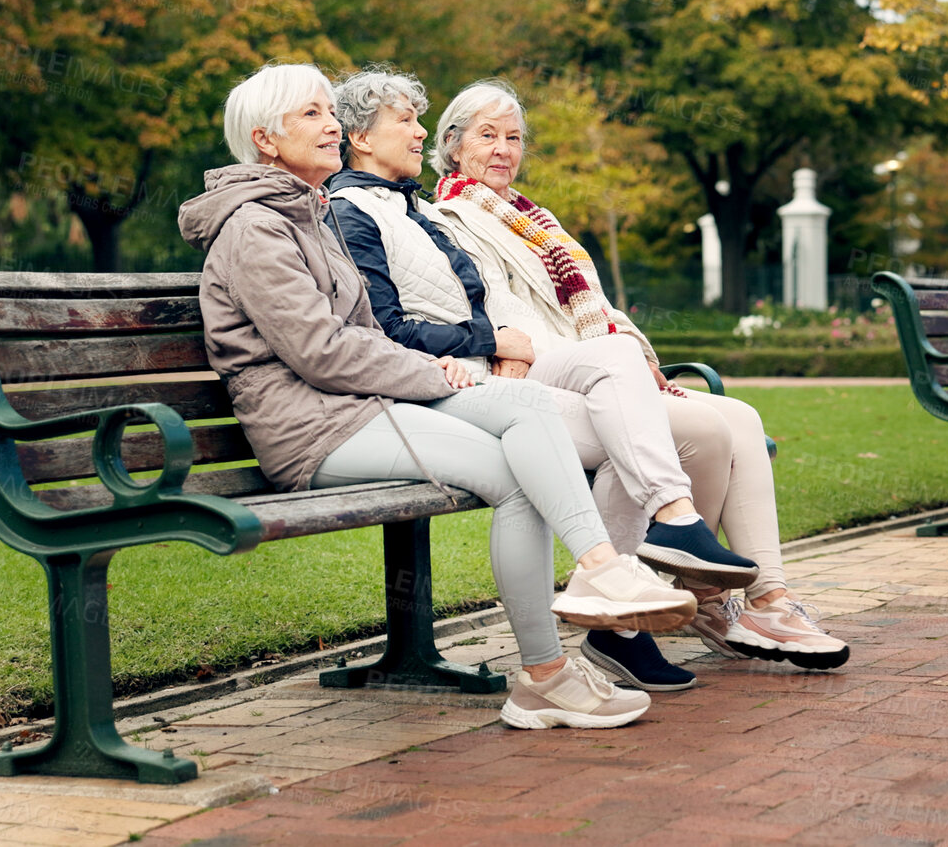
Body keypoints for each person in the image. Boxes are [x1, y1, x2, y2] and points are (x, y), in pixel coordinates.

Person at [177, 62, 698, 729]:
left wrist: (430, 363)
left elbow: (362, 332)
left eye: (328, 110)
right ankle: (570, 628)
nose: (332, 122)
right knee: (520, 457)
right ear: (265, 140)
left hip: (362, 405)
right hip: (313, 430)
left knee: (528, 419)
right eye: (311, 113)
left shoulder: (312, 213)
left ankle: (569, 627)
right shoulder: (256, 228)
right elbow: (320, 351)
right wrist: (431, 370)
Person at [325, 68, 757, 693]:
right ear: (361, 138)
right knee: (629, 429)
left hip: (484, 373)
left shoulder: (413, 209)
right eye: (406, 121)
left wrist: (499, 343)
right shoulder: (354, 212)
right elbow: (386, 327)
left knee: (618, 366)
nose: (419, 131)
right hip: (444, 389)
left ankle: (649, 563)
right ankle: (610, 612)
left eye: (421, 120)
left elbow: (469, 303)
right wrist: (493, 343)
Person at [426, 79, 850, 671]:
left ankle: (770, 599)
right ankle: (692, 601)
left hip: (588, 361)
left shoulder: (530, 215)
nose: (503, 149)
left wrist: (629, 345)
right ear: (452, 145)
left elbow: (588, 302)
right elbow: (506, 314)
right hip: (542, 369)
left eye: (514, 137)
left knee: (743, 418)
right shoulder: (449, 216)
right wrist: (610, 356)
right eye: (487, 136)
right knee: (703, 429)